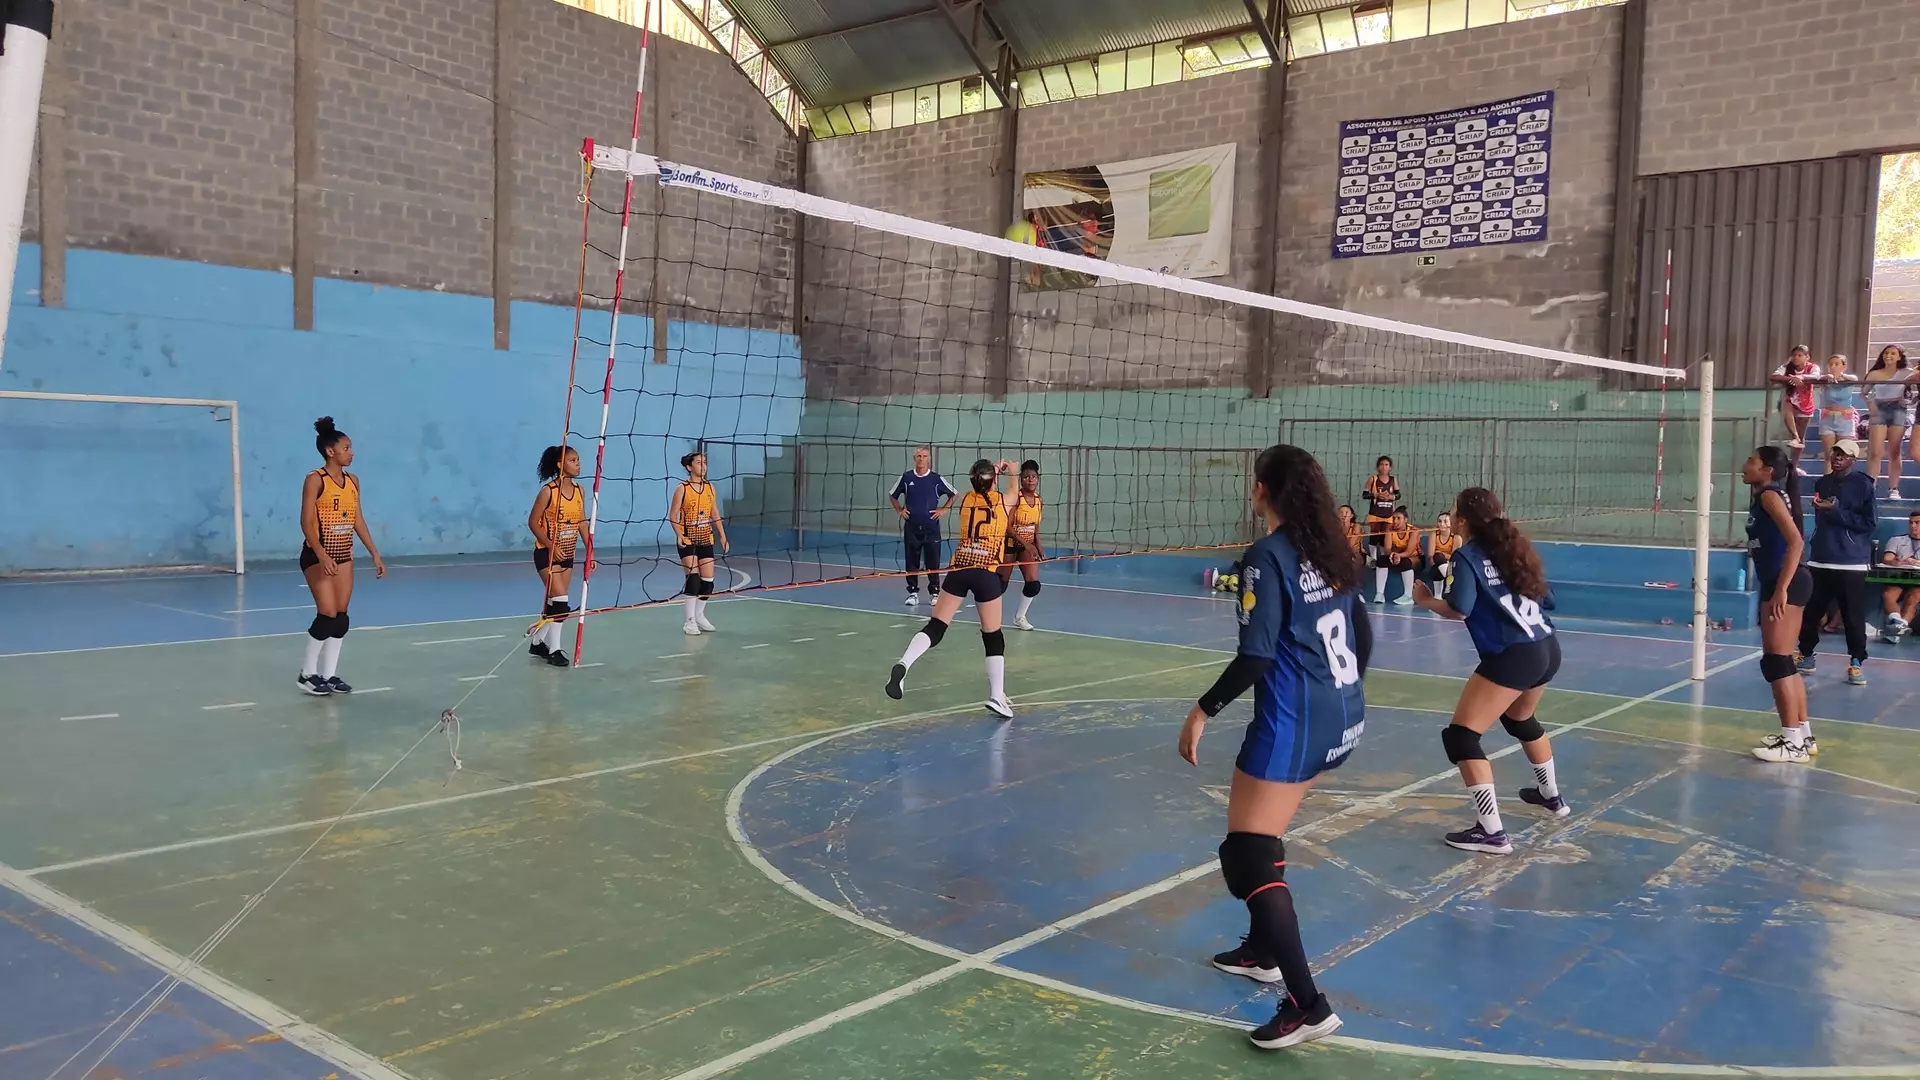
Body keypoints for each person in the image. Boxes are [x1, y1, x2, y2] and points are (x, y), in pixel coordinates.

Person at [1178, 444, 1367, 1052]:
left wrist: (1201, 710)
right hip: (1341, 710)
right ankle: (1262, 951)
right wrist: (1338, 688)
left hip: (1294, 721)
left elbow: (1257, 657)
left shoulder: (1266, 557)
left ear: (1263, 491)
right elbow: (1362, 635)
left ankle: (1306, 1004)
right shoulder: (1332, 550)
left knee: (1247, 858)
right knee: (1261, 835)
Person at [1410, 488, 1566, 854]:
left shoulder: (1467, 556)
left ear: (1463, 520)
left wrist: (1426, 601)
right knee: (1520, 720)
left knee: (1461, 737)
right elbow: (1551, 599)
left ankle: (1491, 832)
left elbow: (1461, 608)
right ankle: (1551, 796)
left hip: (1515, 655)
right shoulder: (1516, 549)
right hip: (1547, 646)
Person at [886, 458, 1018, 718]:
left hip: (959, 568)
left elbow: (984, 485)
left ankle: (904, 663)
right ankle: (996, 696)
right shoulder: (1003, 501)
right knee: (993, 636)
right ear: (994, 480)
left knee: (936, 626)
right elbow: (1010, 490)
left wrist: (992, 473)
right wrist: (1011, 471)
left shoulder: (968, 500)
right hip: (985, 571)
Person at [298, 417, 385, 695]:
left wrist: (374, 552)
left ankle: (329, 675)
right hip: (318, 555)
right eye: (347, 448)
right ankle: (306, 674)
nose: (352, 452)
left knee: (341, 618)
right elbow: (307, 522)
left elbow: (358, 519)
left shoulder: (352, 481)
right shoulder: (315, 480)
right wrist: (321, 555)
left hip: (344, 555)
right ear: (330, 451)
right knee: (326, 613)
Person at [1744, 445, 1814, 762]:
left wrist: (1782, 588)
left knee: (1777, 662)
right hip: (1784, 580)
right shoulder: (1767, 496)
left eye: (1752, 461)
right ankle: (1802, 734)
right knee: (1783, 661)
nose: (1745, 466)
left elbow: (1796, 540)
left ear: (1768, 469)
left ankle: (1792, 743)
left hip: (1785, 581)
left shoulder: (1770, 496)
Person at [1796, 439, 1878, 686]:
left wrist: (1835, 511)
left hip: (1851, 563)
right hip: (1821, 559)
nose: (1837, 457)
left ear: (1853, 460)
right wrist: (1822, 509)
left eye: (1843, 455)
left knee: (1853, 617)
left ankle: (1856, 662)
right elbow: (1824, 517)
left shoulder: (1864, 485)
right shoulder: (1822, 482)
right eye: (1835, 453)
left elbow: (1868, 524)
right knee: (1810, 614)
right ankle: (1806, 655)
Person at [526, 445, 584, 667]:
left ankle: (538, 641)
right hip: (546, 554)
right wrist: (550, 545)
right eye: (572, 460)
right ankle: (555, 650)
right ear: (561, 465)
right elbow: (532, 521)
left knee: (555, 603)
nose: (577, 464)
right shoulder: (548, 491)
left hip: (568, 552)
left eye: (578, 459)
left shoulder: (580, 491)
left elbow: (581, 521)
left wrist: (591, 549)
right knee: (561, 602)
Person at [671, 450, 730, 636]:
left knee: (708, 582)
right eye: (698, 463)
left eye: (705, 462)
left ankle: (699, 615)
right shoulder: (683, 488)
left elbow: (714, 512)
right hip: (688, 539)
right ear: (689, 467)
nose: (703, 466)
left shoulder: (710, 487)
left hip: (706, 538)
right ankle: (689, 621)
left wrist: (722, 535)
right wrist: (679, 534)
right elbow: (673, 515)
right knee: (693, 579)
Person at [889, 447, 957, 606]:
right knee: (911, 560)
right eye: (919, 456)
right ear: (915, 458)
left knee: (932, 560)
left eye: (924, 456)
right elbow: (892, 495)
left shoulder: (936, 479)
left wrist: (944, 509)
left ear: (929, 459)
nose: (921, 459)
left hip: (931, 528)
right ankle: (912, 592)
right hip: (912, 527)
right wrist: (899, 510)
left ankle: (934, 592)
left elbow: (954, 494)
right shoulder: (906, 477)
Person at [999, 460, 1045, 630]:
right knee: (1000, 584)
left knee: (1033, 584)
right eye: (1026, 477)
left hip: (1028, 545)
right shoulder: (1016, 498)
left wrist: (1038, 545)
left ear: (1038, 479)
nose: (1030, 480)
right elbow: (1008, 527)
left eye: (1033, 477)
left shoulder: (1039, 500)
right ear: (1021, 479)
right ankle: (989, 614)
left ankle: (1020, 617)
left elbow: (1035, 526)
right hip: (1010, 543)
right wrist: (1027, 544)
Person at [1863, 345, 1914, 498]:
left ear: (1899, 356)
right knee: (1876, 452)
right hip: (1879, 408)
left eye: (1893, 353)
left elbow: (1913, 391)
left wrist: (1908, 402)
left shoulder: (1907, 373)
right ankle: (1870, 487)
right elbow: (1864, 393)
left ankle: (1893, 489)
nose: (1888, 356)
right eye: (1886, 353)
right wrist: (1871, 406)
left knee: (1895, 451)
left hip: (1898, 409)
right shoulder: (1874, 373)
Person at [1361, 457, 1401, 602]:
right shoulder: (1373, 479)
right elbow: (1365, 494)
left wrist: (1391, 496)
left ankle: (1384, 557)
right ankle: (1373, 559)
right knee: (1374, 535)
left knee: (1386, 537)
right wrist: (1376, 495)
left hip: (1388, 513)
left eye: (1387, 464)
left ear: (1390, 467)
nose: (1384, 467)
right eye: (1382, 464)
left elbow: (1398, 494)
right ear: (1378, 467)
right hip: (1375, 513)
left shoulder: (1393, 479)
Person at [1814, 354, 1862, 460]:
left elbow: (1855, 378)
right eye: (1830, 364)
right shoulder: (1826, 380)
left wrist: (1842, 376)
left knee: (1844, 455)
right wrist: (1827, 377)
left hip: (1845, 419)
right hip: (1828, 418)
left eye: (1836, 364)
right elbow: (1818, 379)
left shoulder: (1849, 380)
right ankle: (1828, 476)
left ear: (1844, 367)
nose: (1833, 367)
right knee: (1829, 456)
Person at [1771, 345, 1820, 449]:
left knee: (1801, 439)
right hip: (1791, 398)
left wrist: (1801, 377)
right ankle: (1794, 436)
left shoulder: (1812, 367)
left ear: (1807, 357)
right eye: (1794, 355)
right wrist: (1791, 379)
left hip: (1806, 402)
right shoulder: (1787, 367)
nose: (1796, 358)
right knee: (1787, 404)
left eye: (1800, 355)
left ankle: (1794, 463)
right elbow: (1774, 376)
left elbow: (1816, 376)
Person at [1881, 511, 1920, 640]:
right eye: (1911, 523)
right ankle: (1900, 626)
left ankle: (1896, 631)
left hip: (1918, 583)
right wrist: (1896, 562)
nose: (1913, 526)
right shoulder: (1897, 540)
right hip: (1899, 578)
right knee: (1889, 594)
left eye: (1917, 523)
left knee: (1914, 596)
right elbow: (1887, 558)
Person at [1380, 509, 1420, 606]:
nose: (1395, 521)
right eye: (1393, 518)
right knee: (1381, 560)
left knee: (1406, 562)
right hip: (1396, 556)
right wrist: (1392, 555)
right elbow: (1387, 550)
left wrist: (1398, 555)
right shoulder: (1390, 530)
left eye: (1398, 518)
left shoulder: (1413, 531)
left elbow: (1409, 551)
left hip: (1414, 557)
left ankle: (1409, 595)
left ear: (1405, 520)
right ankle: (1379, 594)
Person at [1427, 510, 1461, 584]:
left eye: (1445, 521)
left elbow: (1455, 557)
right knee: (1435, 570)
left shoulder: (1456, 536)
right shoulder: (1434, 534)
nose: (1442, 524)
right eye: (1439, 521)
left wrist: (1441, 554)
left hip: (1451, 564)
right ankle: (1438, 594)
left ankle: (1448, 576)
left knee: (1438, 555)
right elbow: (1430, 556)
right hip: (1437, 562)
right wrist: (1437, 562)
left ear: (1450, 523)